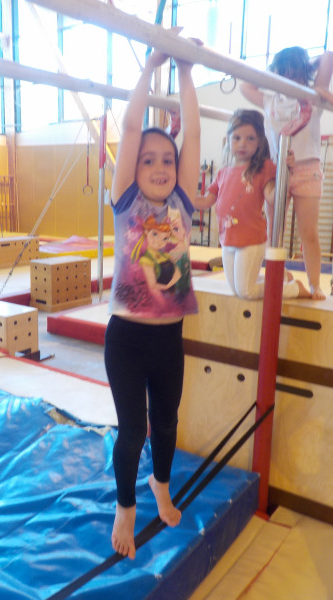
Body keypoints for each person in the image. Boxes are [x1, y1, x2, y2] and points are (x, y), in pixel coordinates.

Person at [104, 45, 201, 560]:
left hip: (169, 339)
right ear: (134, 168)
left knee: (166, 422)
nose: (161, 166)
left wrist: (185, 70)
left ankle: (160, 484)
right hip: (126, 338)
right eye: (149, 159)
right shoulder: (127, 203)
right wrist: (148, 68)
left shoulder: (183, 203)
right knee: (132, 430)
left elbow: (194, 134)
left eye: (168, 159)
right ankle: (126, 506)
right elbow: (129, 126)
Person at [240, 46, 333, 300]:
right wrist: (274, 73)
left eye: (295, 73)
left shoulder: (312, 97)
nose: (289, 79)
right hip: (277, 169)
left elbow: (329, 57)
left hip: (307, 169)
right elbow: (245, 85)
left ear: (305, 73)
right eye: (284, 73)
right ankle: (279, 276)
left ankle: (314, 284)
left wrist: (308, 67)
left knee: (309, 233)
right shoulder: (270, 99)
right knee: (274, 230)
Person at [194, 109, 310, 300]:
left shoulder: (263, 168)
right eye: (237, 138)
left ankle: (295, 289)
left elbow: (272, 197)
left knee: (246, 291)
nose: (242, 144)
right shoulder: (223, 172)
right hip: (227, 239)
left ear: (259, 142)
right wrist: (182, 193)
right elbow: (206, 201)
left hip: (251, 240)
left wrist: (285, 173)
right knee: (236, 289)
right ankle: (281, 279)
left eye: (250, 138)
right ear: (228, 139)